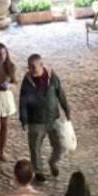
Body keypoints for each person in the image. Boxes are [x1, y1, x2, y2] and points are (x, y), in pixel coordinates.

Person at [18, 53, 70, 183]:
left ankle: (53, 162)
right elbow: (23, 101)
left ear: (41, 65)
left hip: (53, 118)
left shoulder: (52, 77)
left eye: (33, 66)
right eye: (29, 66)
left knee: (60, 144)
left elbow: (60, 93)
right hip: (35, 120)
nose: (31, 69)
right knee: (35, 148)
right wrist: (23, 119)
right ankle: (38, 172)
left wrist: (66, 109)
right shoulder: (27, 81)